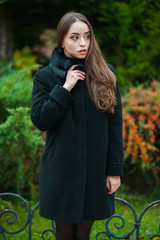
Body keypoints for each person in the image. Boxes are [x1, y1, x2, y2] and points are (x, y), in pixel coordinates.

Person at [31, 11, 124, 240]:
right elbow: (40, 120)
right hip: (61, 171)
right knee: (63, 234)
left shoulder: (106, 74)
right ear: (61, 39)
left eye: (87, 36)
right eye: (74, 37)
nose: (83, 43)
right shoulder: (45, 77)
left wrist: (114, 170)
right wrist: (65, 88)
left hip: (95, 170)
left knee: (83, 235)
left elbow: (115, 125)